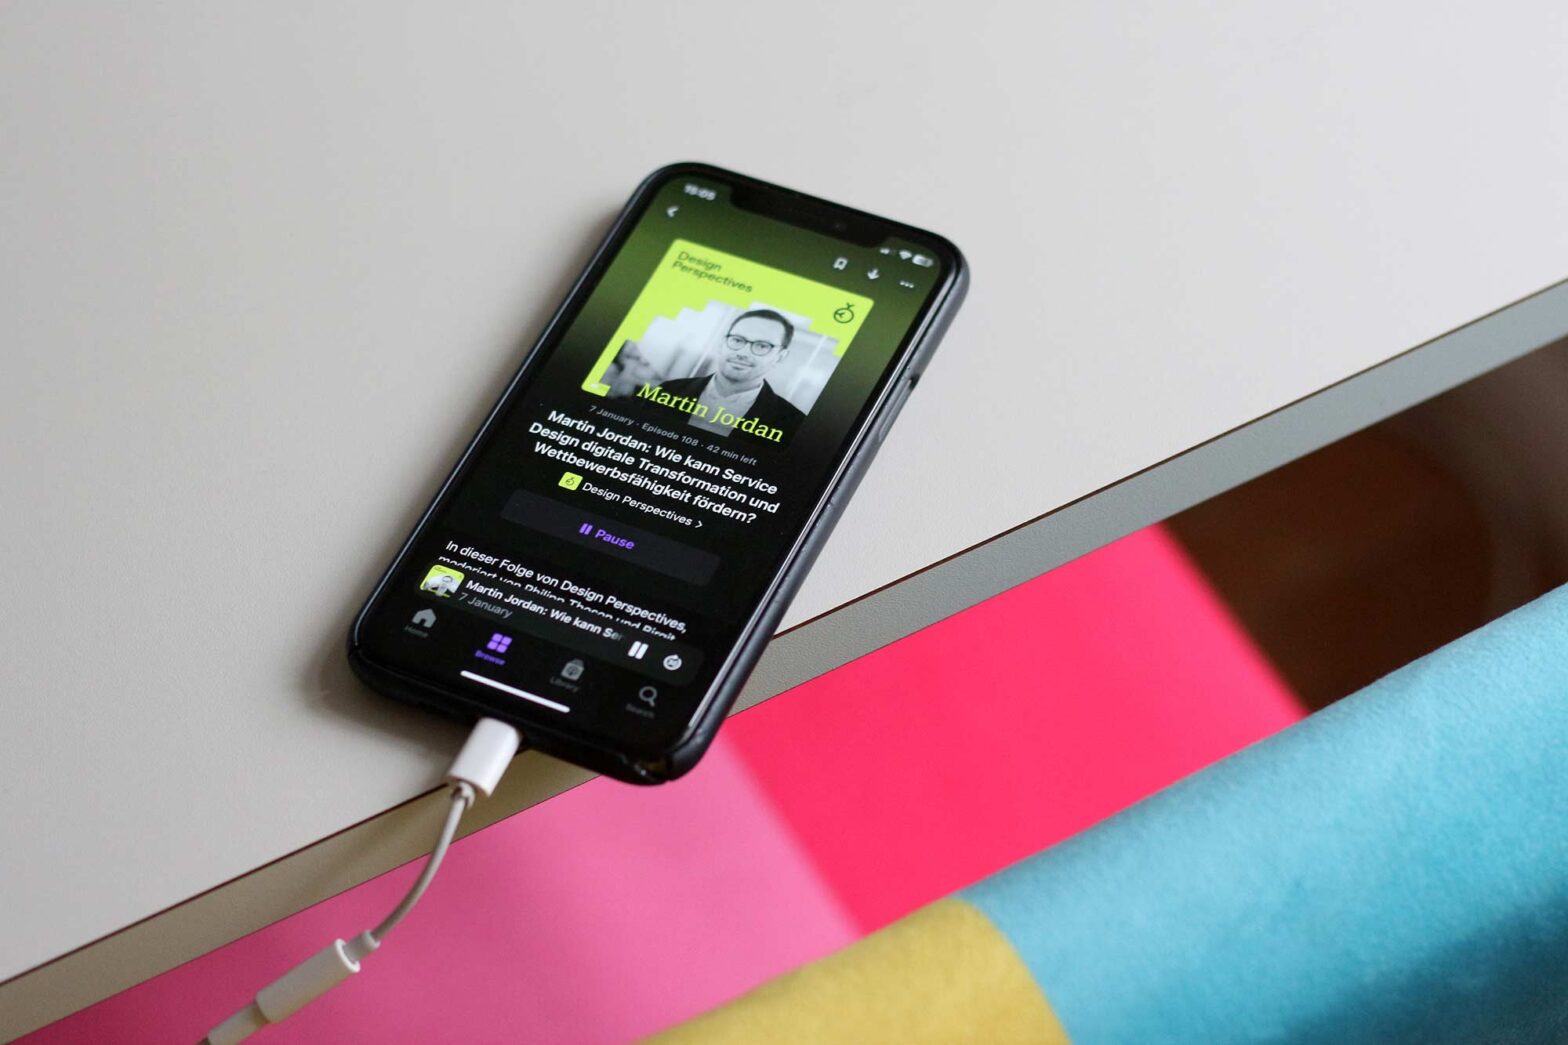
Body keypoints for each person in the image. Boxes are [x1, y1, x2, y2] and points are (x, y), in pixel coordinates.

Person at [658, 309, 807, 441]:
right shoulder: (667, 390)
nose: (742, 353)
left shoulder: (795, 425)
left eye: (762, 346)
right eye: (737, 340)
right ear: (722, 343)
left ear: (780, 357)